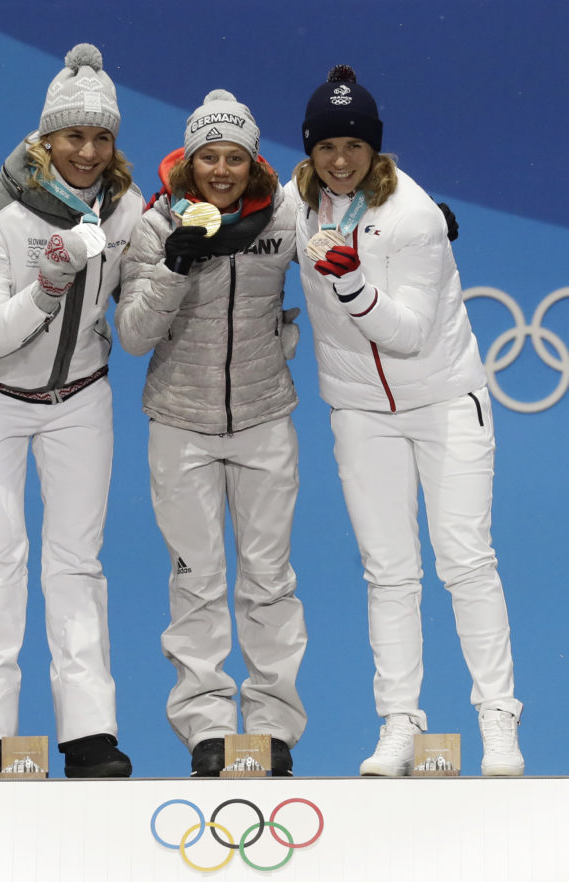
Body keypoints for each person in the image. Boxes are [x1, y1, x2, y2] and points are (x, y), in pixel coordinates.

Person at [289, 65, 524, 777]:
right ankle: (399, 721)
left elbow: (412, 333)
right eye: (326, 146)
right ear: (309, 150)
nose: (339, 160)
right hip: (362, 412)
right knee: (388, 572)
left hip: (445, 401)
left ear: (375, 150)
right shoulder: (298, 206)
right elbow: (231, 203)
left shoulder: (415, 216)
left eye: (353, 147)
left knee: (464, 560)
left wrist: (353, 283)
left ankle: (498, 718)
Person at [0, 44, 143, 779]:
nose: (87, 151)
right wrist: (47, 284)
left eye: (101, 137)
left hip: (79, 401)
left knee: (75, 564)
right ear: (45, 139)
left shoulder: (125, 209)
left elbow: (142, 306)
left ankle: (89, 735)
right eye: (73, 136)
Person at [115, 89, 307, 776]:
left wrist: (422, 228)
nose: (221, 170)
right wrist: (175, 263)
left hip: (263, 418)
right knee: (195, 582)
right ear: (188, 161)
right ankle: (208, 730)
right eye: (208, 157)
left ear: (253, 162)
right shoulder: (155, 222)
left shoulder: (286, 214)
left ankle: (273, 730)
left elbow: (352, 223)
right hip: (180, 424)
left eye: (234, 157)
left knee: (269, 581)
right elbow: (135, 336)